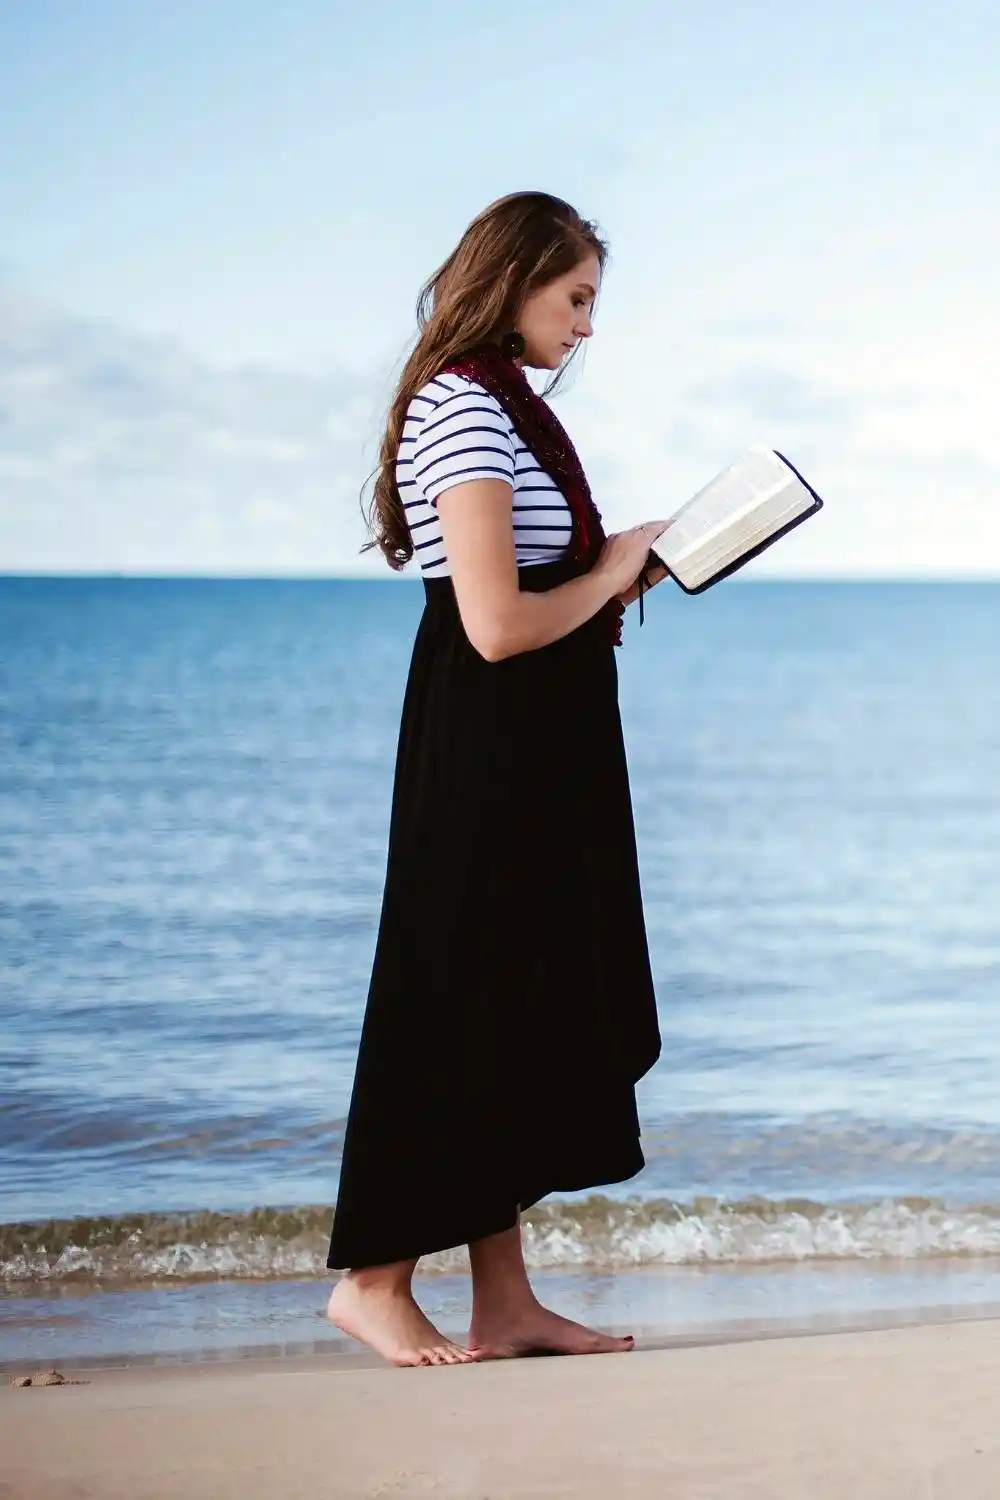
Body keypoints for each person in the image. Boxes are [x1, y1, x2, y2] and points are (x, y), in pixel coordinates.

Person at [327, 190, 670, 1367]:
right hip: (489, 745)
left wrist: (621, 569)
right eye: (574, 297)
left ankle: (506, 1301)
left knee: (511, 1011)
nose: (584, 326)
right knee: (451, 1002)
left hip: (537, 749)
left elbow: (524, 598)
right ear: (516, 280)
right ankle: (372, 1281)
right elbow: (492, 626)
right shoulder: (464, 409)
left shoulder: (498, 407)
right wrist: (615, 568)